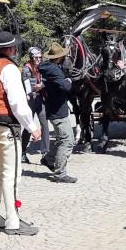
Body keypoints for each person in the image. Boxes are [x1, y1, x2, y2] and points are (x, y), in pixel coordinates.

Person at [0, 31, 42, 235]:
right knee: (12, 173)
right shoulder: (10, 69)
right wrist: (33, 127)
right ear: (11, 49)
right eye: (14, 47)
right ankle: (13, 220)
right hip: (7, 125)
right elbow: (17, 103)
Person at [38, 42, 76, 183]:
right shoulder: (55, 71)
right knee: (67, 141)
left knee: (64, 139)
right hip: (58, 111)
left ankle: (48, 159)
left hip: (56, 109)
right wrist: (69, 81)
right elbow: (65, 87)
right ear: (60, 57)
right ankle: (60, 173)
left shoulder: (49, 68)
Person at [21, 47, 48, 160]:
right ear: (31, 58)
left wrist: (43, 85)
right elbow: (27, 87)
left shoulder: (42, 67)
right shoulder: (26, 69)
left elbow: (46, 80)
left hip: (40, 100)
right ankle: (22, 151)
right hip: (31, 101)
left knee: (45, 124)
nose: (38, 59)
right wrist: (35, 89)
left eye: (40, 57)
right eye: (36, 57)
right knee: (29, 126)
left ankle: (45, 152)